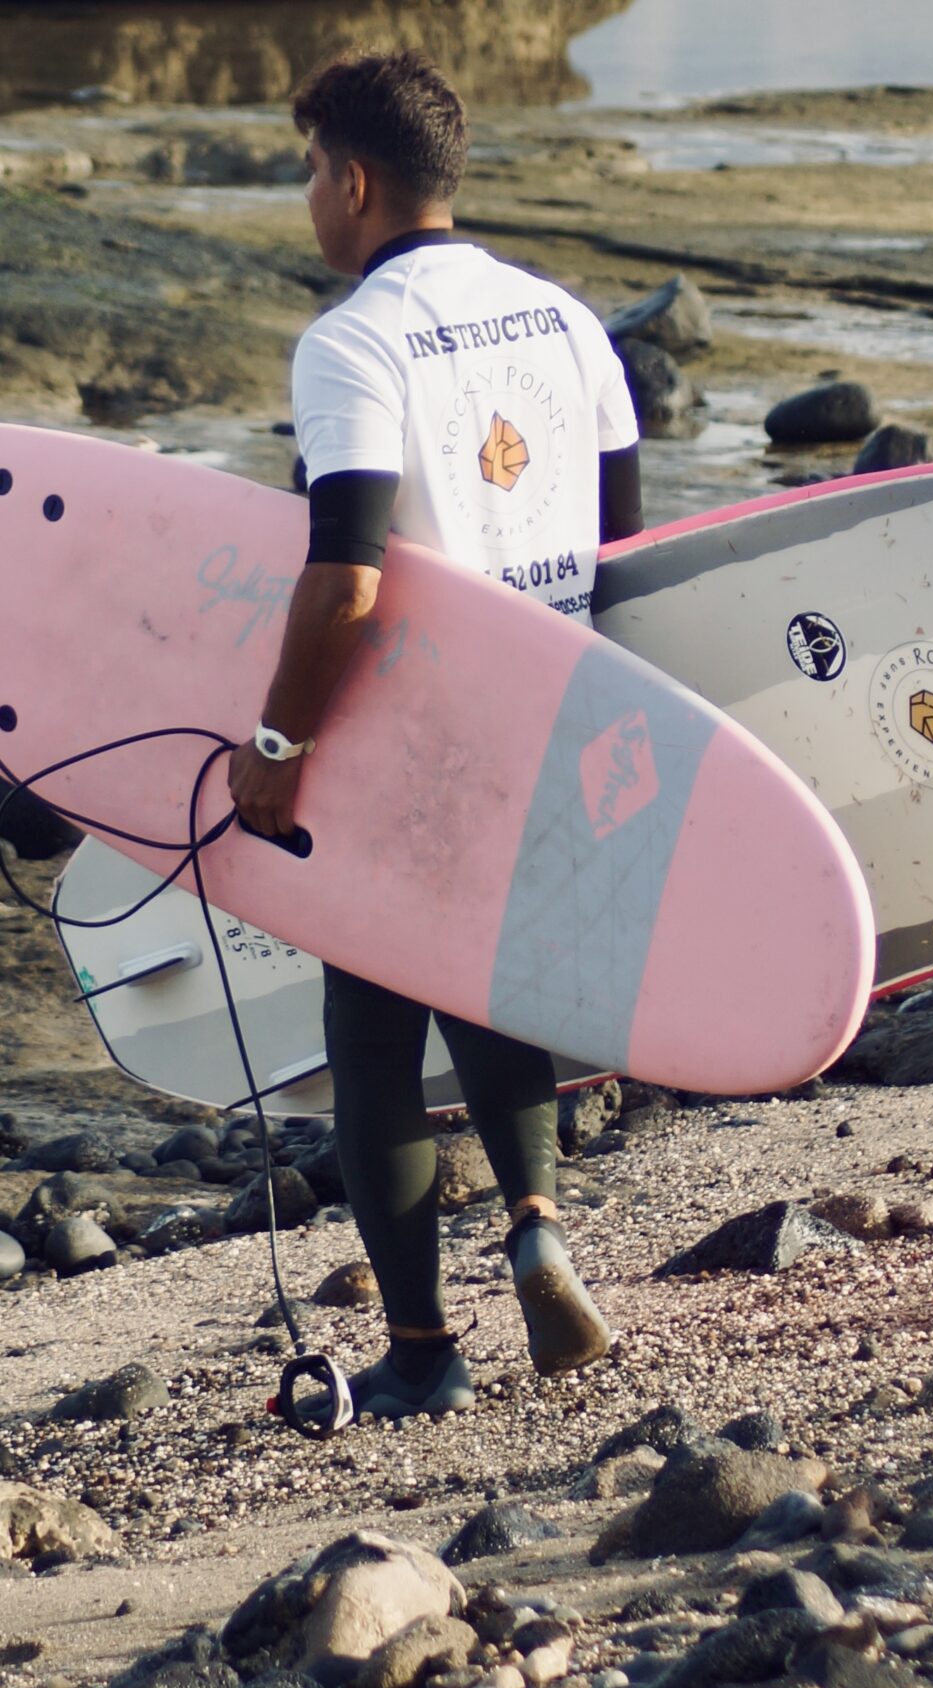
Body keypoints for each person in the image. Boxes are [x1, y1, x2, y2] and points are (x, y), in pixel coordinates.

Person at [227, 50, 646, 1422]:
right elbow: (627, 546)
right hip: (552, 714)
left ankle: (422, 1347)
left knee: (370, 1032)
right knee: (490, 980)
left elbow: (346, 572)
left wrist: (277, 753)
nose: (306, 201)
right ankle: (533, 1219)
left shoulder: (350, 340)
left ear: (351, 180)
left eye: (306, 174)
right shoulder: (568, 320)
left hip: (408, 734)